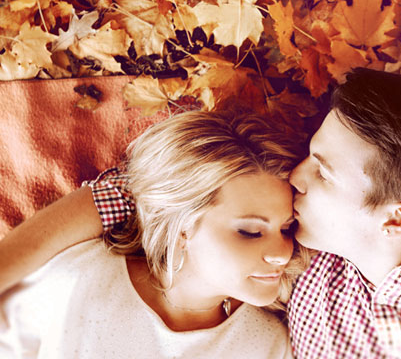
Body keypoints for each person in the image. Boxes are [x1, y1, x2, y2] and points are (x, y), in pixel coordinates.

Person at [1, 69, 401, 358]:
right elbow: (162, 189)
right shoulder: (305, 268)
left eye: (321, 170)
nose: (298, 175)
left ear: (394, 220)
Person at [0, 110, 310, 358]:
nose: (282, 251)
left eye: (287, 228)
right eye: (250, 232)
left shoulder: (268, 345)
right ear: (182, 227)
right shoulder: (78, 278)